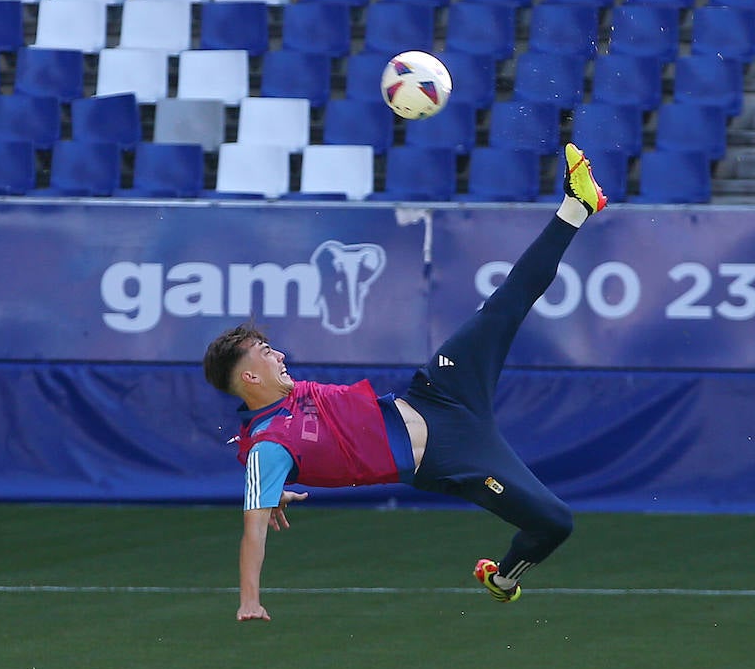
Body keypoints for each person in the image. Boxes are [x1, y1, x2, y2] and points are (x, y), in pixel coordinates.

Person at [202, 143, 608, 622]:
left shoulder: (275, 427)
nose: (281, 356)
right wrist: (250, 597)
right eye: (268, 355)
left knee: (506, 303)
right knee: (555, 522)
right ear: (249, 376)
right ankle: (502, 580)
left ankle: (577, 204)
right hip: (450, 458)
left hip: (439, 393)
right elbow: (253, 528)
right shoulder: (268, 446)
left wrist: (275, 488)